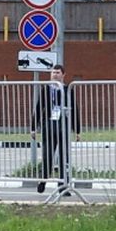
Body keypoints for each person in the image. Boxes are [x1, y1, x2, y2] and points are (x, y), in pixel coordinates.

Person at [30, 65, 81, 196]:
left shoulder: (67, 89)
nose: (55, 75)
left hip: (63, 126)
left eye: (57, 72)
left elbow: (74, 109)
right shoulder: (46, 89)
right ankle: (43, 180)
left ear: (63, 75)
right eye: (53, 72)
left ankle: (63, 186)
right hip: (49, 125)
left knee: (65, 158)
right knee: (48, 157)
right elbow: (38, 107)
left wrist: (77, 130)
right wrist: (33, 128)